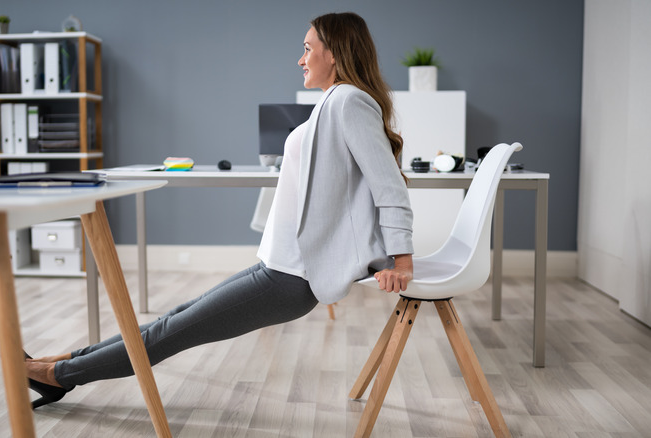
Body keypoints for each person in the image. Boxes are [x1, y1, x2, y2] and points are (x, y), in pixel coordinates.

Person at [25, 11, 414, 409]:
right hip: (276, 265)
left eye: (307, 49)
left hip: (292, 278)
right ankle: (66, 360)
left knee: (169, 333)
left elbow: (389, 187)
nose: (300, 59)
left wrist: (402, 262)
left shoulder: (350, 102)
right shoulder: (333, 101)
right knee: (171, 320)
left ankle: (58, 376)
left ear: (334, 53)